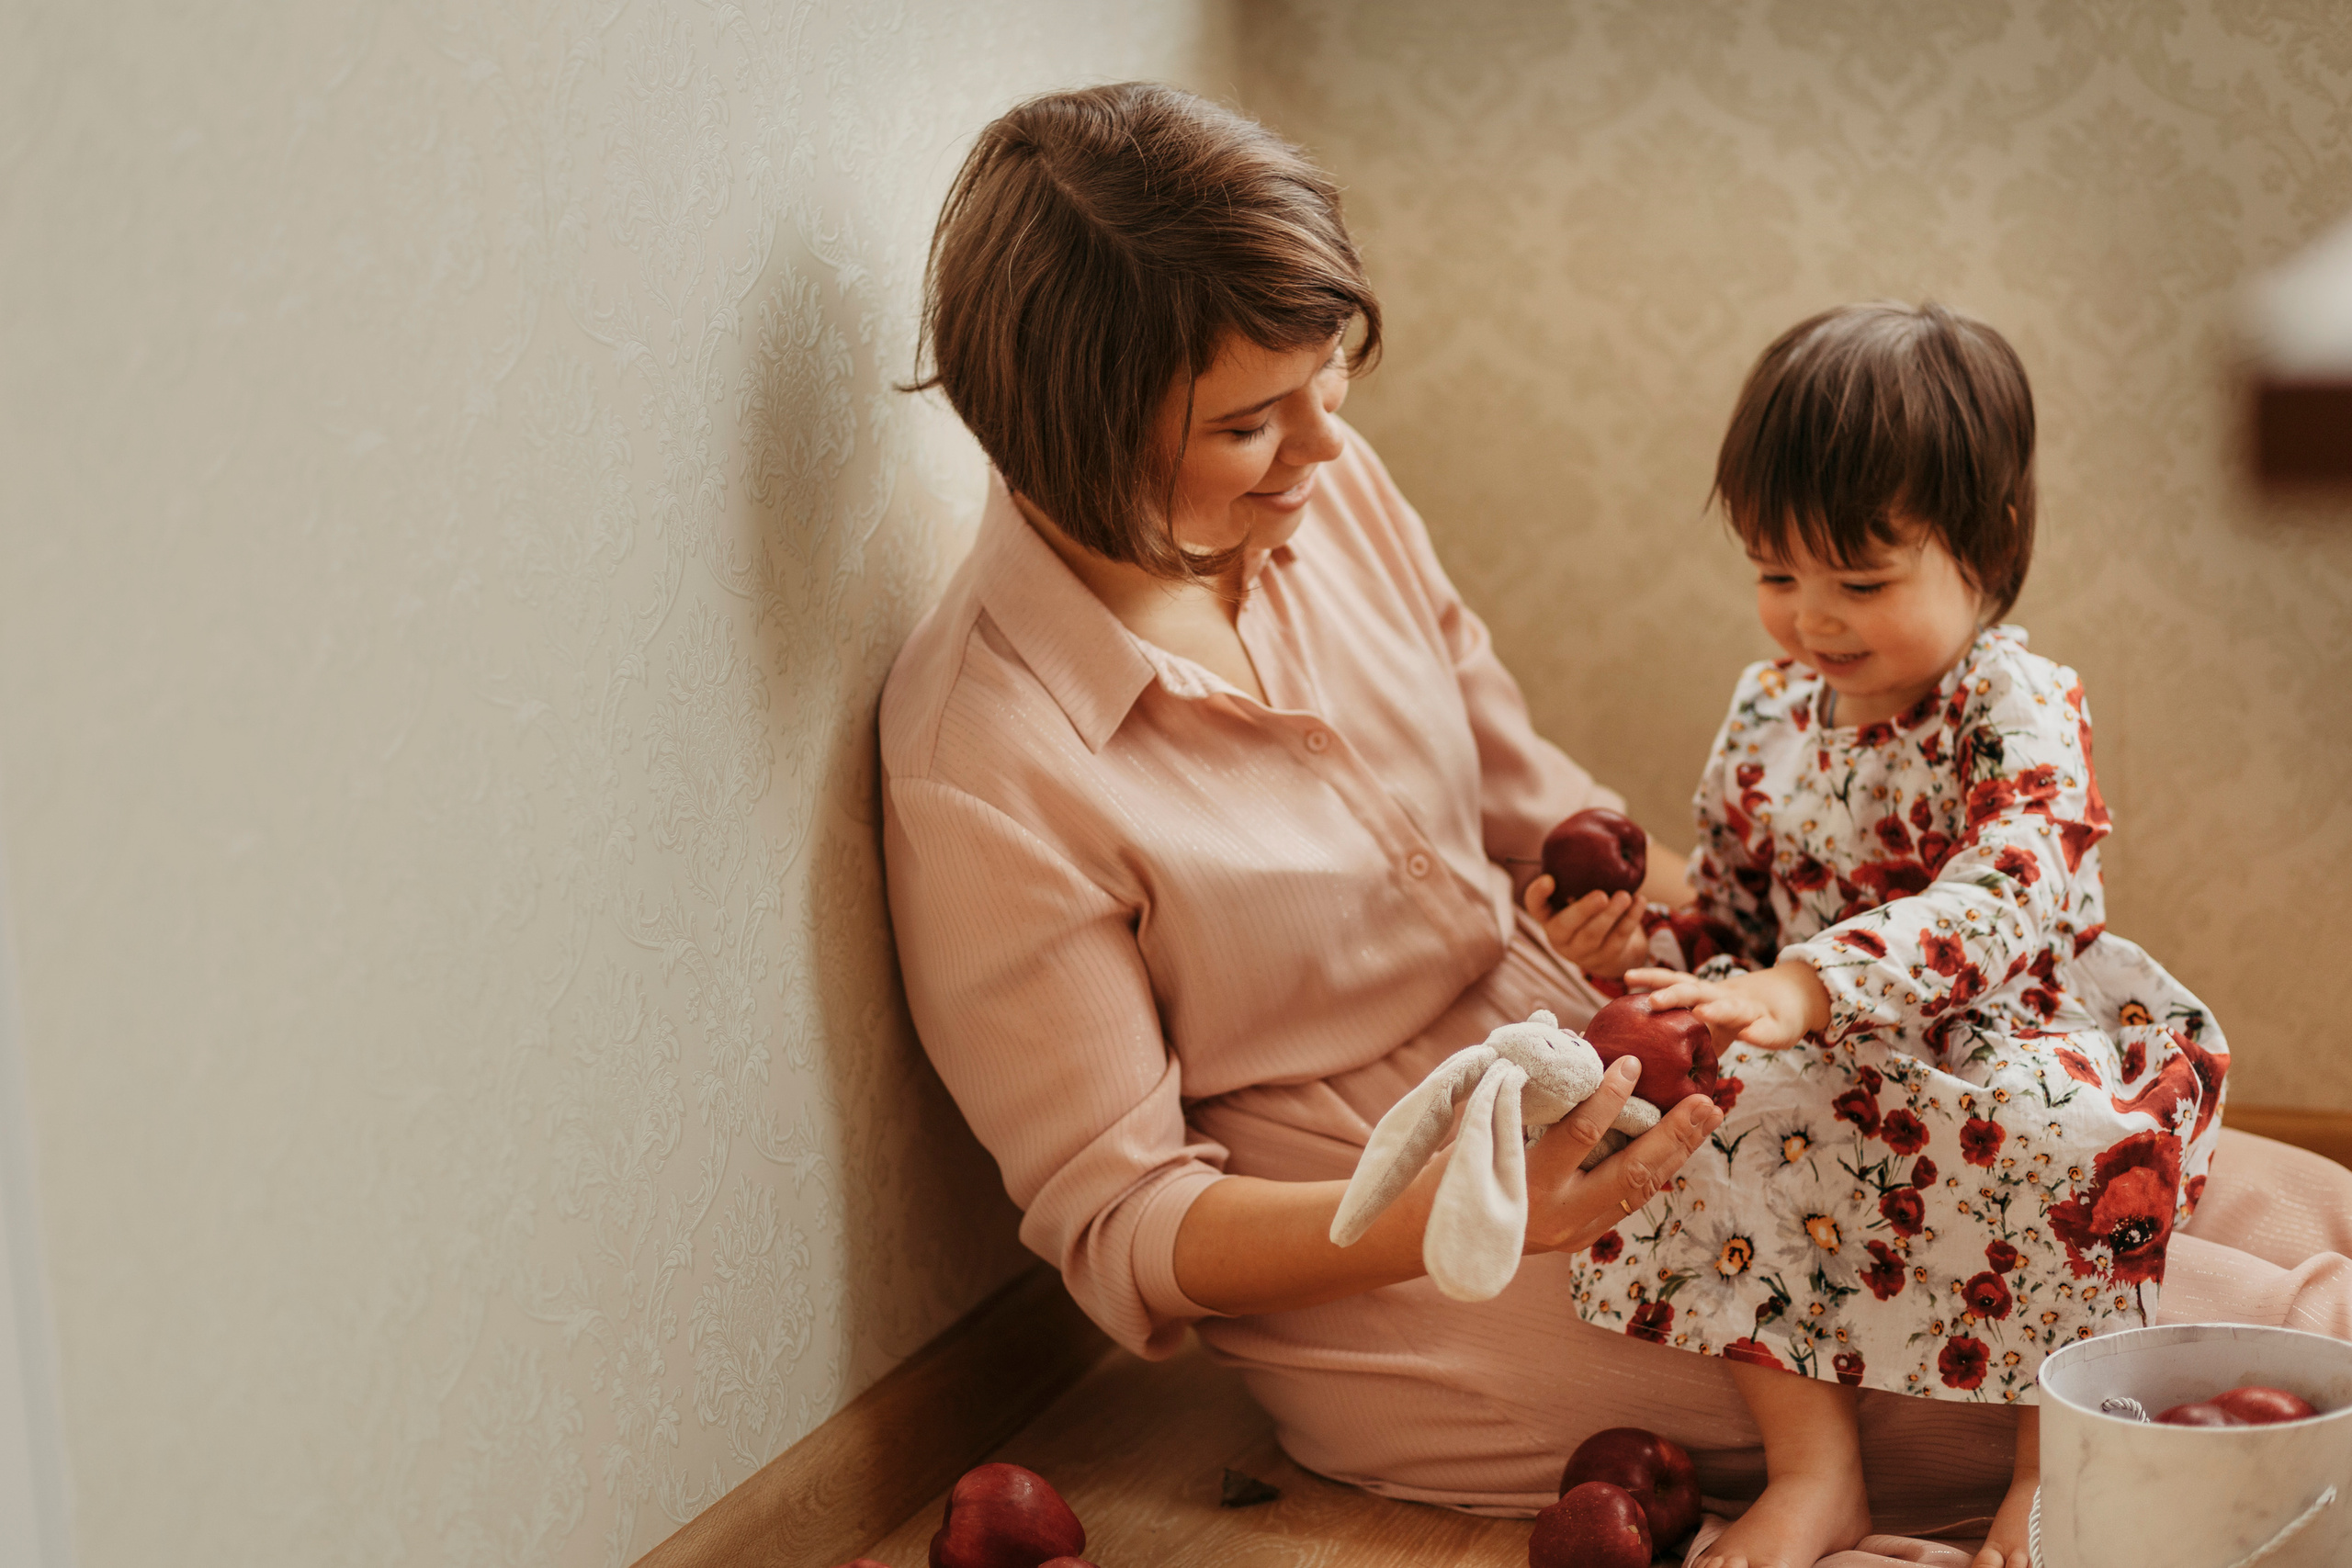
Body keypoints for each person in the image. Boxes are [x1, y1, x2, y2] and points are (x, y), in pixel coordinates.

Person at [880, 81, 2352, 1555]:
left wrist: (1677, 938)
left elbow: (1535, 801)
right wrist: (1473, 1214)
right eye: (1255, 424)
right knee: (2175, 1332)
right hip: (1381, 1233)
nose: (1325, 453)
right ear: (1079, 434)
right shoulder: (987, 754)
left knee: (2236, 1195)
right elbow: (1128, 1224)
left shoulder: (1316, 496)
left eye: (1332, 382)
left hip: (1591, 1048)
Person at [1579, 303, 2218, 1568]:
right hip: (1824, 1033)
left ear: (1991, 546)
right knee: (1702, 1107)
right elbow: (1739, 908)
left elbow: (2006, 889)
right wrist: (1645, 942)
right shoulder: (1769, 708)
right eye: (1775, 574)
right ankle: (1818, 1474)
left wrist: (1817, 983)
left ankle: (2052, 1474)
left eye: (1860, 581)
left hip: (2007, 1023)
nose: (1811, 618)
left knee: (2077, 1148)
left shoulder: (2015, 703)